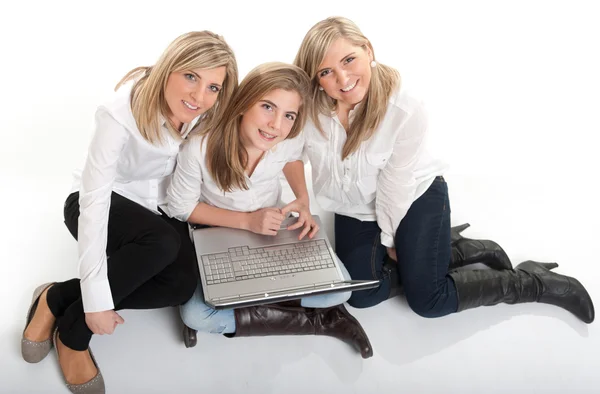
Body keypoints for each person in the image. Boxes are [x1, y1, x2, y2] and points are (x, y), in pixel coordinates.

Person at [293, 17, 594, 322]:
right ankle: (458, 252)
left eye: (349, 60)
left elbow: (394, 186)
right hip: (355, 207)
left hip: (413, 196)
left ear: (368, 50)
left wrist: (392, 240)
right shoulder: (312, 107)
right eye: (326, 72)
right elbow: (290, 153)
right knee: (361, 294)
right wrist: (301, 200)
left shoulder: (404, 108)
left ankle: (531, 281)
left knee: (428, 300)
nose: (343, 79)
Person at [21, 31, 238, 393]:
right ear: (169, 68)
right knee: (162, 242)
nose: (200, 97)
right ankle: (74, 335)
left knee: (181, 284)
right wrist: (95, 304)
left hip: (155, 212)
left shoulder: (203, 113)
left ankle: (56, 297)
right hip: (95, 202)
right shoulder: (119, 113)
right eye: (191, 77)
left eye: (213, 87)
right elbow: (94, 202)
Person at [167, 62, 373, 358]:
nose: (276, 124)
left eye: (288, 115)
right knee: (195, 316)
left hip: (270, 229)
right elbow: (181, 207)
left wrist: (302, 199)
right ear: (242, 104)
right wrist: (247, 221)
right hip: (217, 234)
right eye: (267, 107)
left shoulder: (286, 138)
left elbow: (292, 159)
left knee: (341, 291)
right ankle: (319, 322)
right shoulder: (199, 147)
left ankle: (238, 309)